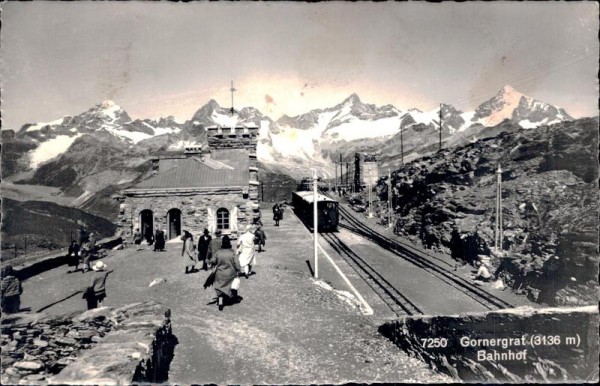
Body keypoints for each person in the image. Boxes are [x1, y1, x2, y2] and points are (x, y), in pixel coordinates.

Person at [208, 235, 242, 311]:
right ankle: (231, 298)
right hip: (230, 274)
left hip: (219, 273)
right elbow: (237, 263)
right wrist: (238, 270)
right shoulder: (232, 252)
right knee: (229, 286)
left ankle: (220, 302)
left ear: (222, 243)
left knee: (220, 288)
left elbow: (212, 260)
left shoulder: (218, 252)